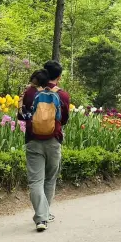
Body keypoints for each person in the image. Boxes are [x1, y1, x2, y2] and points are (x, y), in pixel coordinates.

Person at [20, 61, 70, 232]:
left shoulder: (30, 92)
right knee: (50, 178)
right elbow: (64, 119)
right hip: (53, 140)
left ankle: (42, 216)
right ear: (59, 76)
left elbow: (21, 115)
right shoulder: (62, 95)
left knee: (36, 181)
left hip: (33, 140)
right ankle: (44, 215)